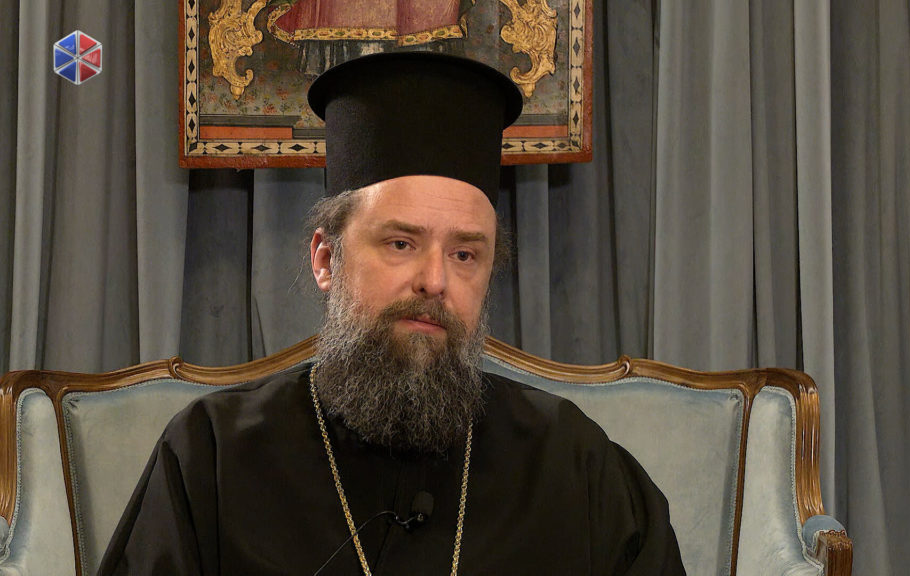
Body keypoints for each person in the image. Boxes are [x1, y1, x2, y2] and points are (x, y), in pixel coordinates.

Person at [98, 52, 685, 575]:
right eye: (401, 243)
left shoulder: (574, 464)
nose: (435, 280)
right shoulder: (213, 457)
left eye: (464, 254)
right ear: (326, 259)